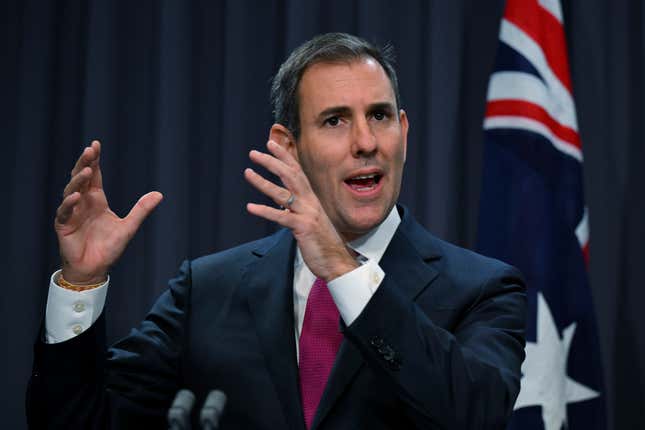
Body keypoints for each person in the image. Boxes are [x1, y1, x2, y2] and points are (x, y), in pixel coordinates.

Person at [27, 33, 526, 429]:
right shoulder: (209, 290)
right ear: (287, 146)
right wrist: (81, 283)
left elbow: (474, 415)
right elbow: (81, 421)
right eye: (335, 120)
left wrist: (340, 267)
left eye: (379, 116)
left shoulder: (481, 289)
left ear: (404, 130)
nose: (366, 141)